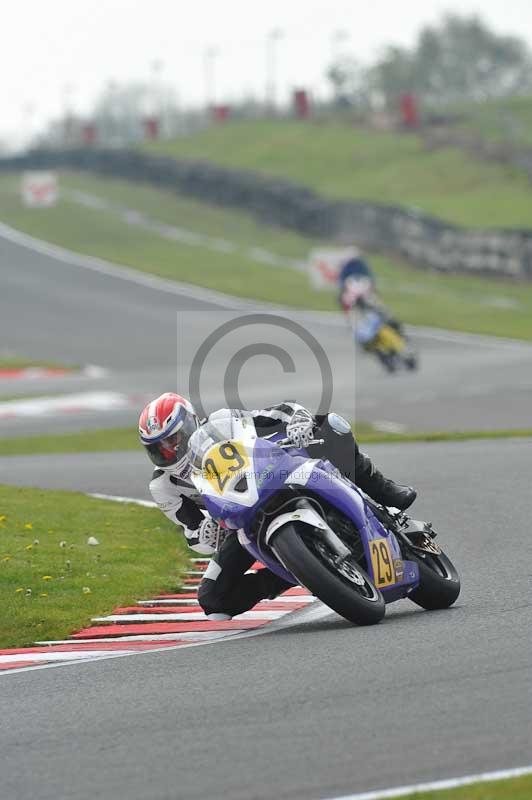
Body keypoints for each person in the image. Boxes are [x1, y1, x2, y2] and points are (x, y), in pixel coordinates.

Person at [139, 393, 416, 619]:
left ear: (189, 423)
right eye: (159, 447)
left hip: (278, 472)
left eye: (172, 440)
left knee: (331, 425)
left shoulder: (223, 421)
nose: (169, 451)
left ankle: (383, 490)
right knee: (213, 600)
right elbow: (192, 533)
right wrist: (204, 534)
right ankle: (293, 573)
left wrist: (298, 422)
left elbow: (283, 411)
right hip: (242, 520)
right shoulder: (164, 486)